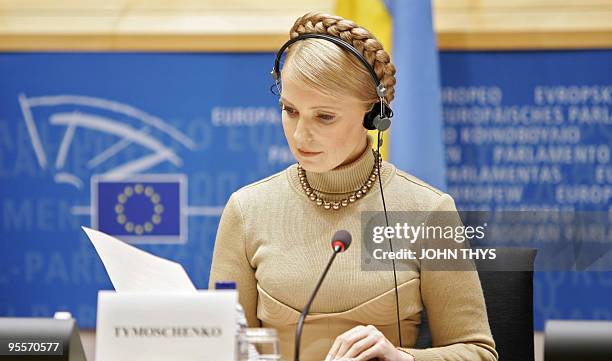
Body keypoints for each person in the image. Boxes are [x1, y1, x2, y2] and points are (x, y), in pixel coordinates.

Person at [209, 11, 497, 361]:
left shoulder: (428, 211)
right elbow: (220, 349)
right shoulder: (246, 210)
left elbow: (478, 352)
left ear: (373, 116)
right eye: (290, 110)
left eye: (324, 116)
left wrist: (401, 358)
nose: (300, 135)